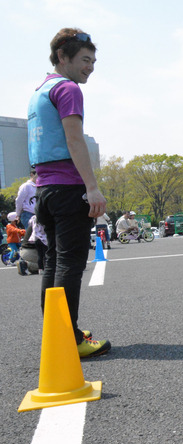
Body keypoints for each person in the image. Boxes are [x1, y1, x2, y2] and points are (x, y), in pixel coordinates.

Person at [27, 28, 110, 357]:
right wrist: (92, 186)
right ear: (63, 57)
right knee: (70, 264)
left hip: (45, 188)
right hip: (66, 186)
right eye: (85, 60)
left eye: (93, 61)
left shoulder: (39, 91)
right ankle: (70, 339)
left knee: (53, 263)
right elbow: (74, 139)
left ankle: (58, 331)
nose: (90, 67)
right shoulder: (68, 88)